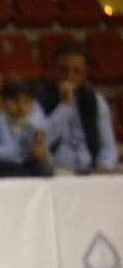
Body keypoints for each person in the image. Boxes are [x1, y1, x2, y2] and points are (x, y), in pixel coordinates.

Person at [36, 43, 119, 176]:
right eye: (63, 70)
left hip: (91, 171)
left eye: (77, 71)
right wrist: (65, 106)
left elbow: (108, 146)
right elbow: (42, 141)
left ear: (85, 74)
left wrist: (103, 168)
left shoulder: (96, 101)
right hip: (55, 172)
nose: (69, 76)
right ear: (52, 71)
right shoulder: (38, 100)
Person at [1, 77, 52, 177]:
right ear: (1, 102)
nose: (21, 106)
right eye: (15, 101)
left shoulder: (35, 129)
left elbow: (49, 171)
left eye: (26, 101)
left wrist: (42, 158)